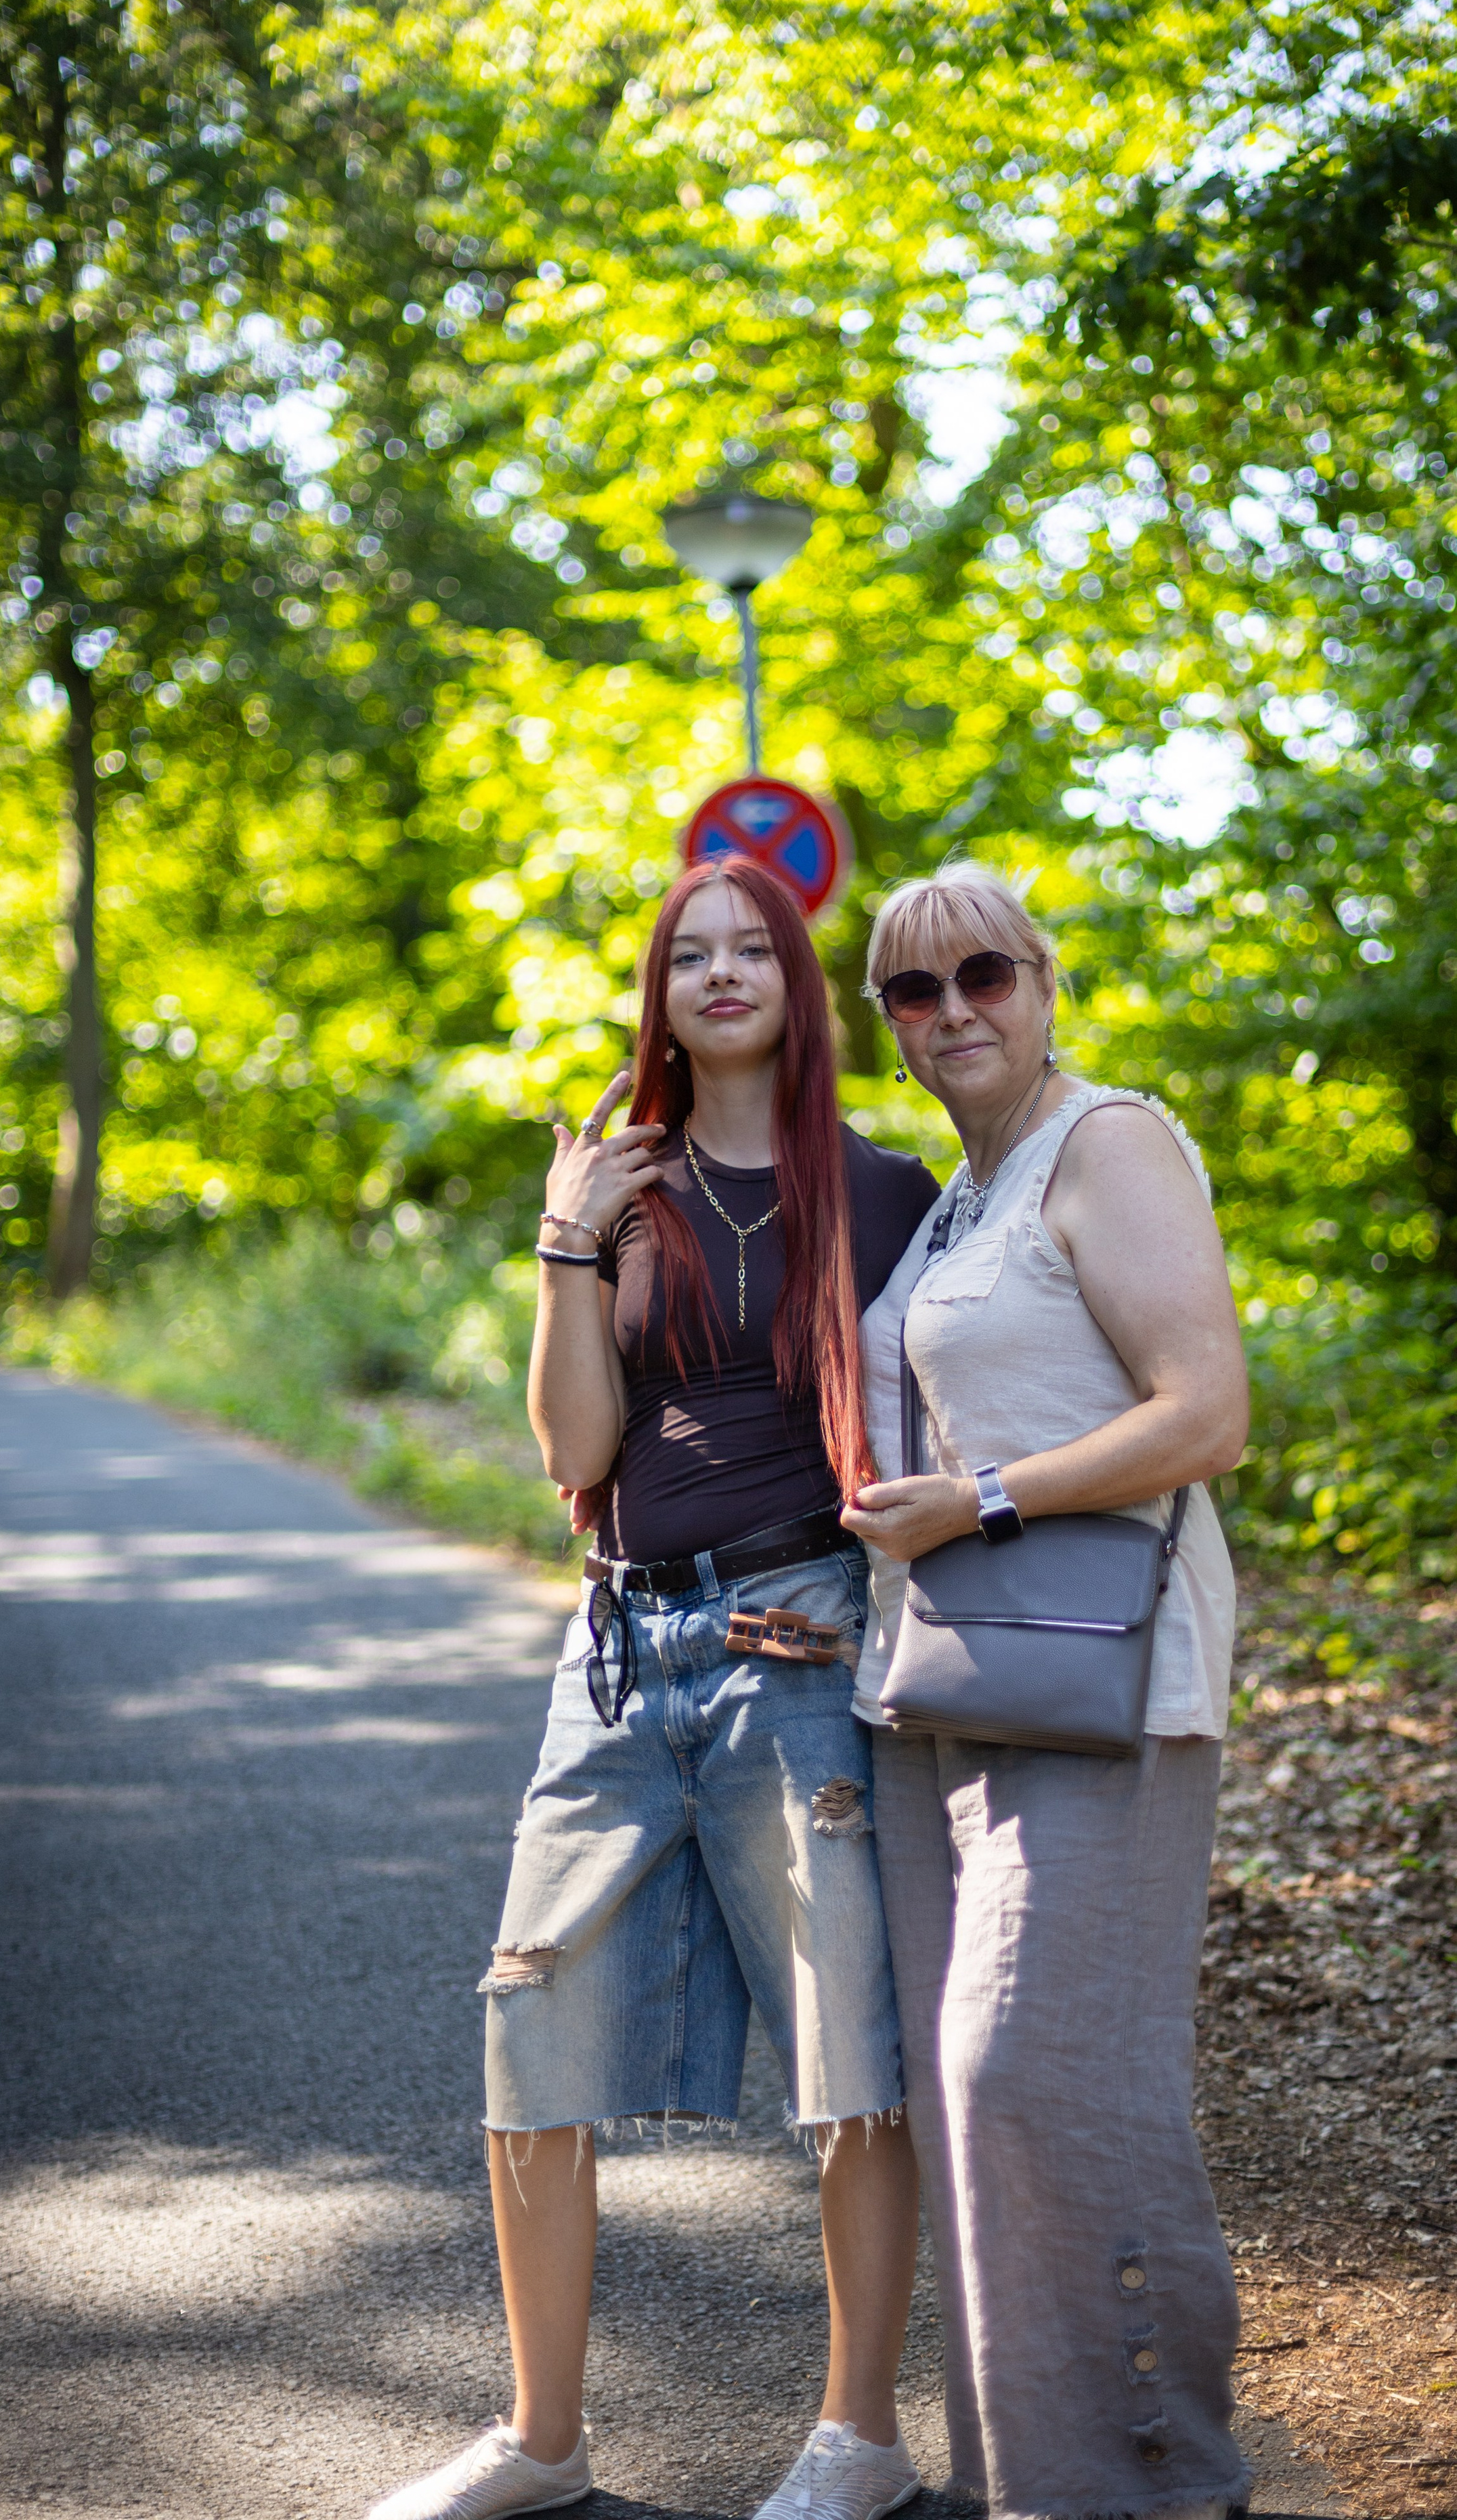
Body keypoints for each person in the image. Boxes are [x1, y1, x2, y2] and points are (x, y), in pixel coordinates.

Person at [368, 855, 939, 2520]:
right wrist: (563, 1243)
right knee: (528, 2025)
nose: (716, 972)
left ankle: (860, 2444)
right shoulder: (618, 1183)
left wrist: (895, 1582)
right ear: (658, 992)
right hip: (617, 1651)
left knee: (853, 2055)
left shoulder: (887, 1190)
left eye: (747, 947)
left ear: (793, 981)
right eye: (685, 953)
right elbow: (571, 1451)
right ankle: (542, 2444)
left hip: (801, 1646)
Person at [840, 858, 1251, 2520]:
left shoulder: (1110, 1144)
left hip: (1105, 1685)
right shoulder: (964, 1188)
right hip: (936, 1689)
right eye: (911, 994)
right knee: (965, 2098)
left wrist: (985, 1498)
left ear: (1045, 981)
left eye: (981, 976)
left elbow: (1204, 1411)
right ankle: (1037, 2481)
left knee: (1046, 2071)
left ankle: (1165, 2477)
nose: (950, 1014)